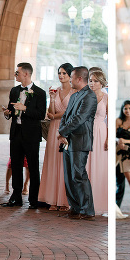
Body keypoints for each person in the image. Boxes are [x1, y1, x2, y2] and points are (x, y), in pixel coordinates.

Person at [1, 62, 47, 209]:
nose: (16, 75)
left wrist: (25, 108)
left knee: (33, 167)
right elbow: (11, 109)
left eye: (17, 72)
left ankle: (34, 199)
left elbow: (40, 114)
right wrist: (7, 113)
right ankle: (16, 197)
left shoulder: (40, 92)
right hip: (16, 133)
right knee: (15, 165)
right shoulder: (14, 90)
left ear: (26, 74)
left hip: (31, 135)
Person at [57, 66, 97, 220]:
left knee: (78, 175)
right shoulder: (74, 96)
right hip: (68, 141)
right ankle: (75, 208)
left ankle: (87, 211)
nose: (70, 79)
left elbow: (79, 119)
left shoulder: (90, 96)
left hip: (80, 140)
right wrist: (62, 133)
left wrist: (62, 132)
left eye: (72, 77)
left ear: (79, 79)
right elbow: (66, 116)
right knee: (69, 176)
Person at [39, 63, 74, 211]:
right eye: (59, 73)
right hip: (54, 128)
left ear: (70, 75)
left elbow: (70, 112)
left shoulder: (74, 92)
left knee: (64, 163)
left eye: (64, 73)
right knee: (53, 161)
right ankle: (52, 199)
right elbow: (50, 112)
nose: (61, 76)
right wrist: (52, 98)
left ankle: (64, 201)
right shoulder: (56, 90)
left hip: (67, 128)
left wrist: (55, 115)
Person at [87, 68, 108, 215]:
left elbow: (110, 119)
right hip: (87, 131)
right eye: (90, 80)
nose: (92, 83)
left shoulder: (106, 98)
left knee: (100, 165)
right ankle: (86, 201)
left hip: (101, 132)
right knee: (87, 165)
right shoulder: (86, 96)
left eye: (95, 81)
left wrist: (108, 138)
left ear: (101, 83)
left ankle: (100, 202)